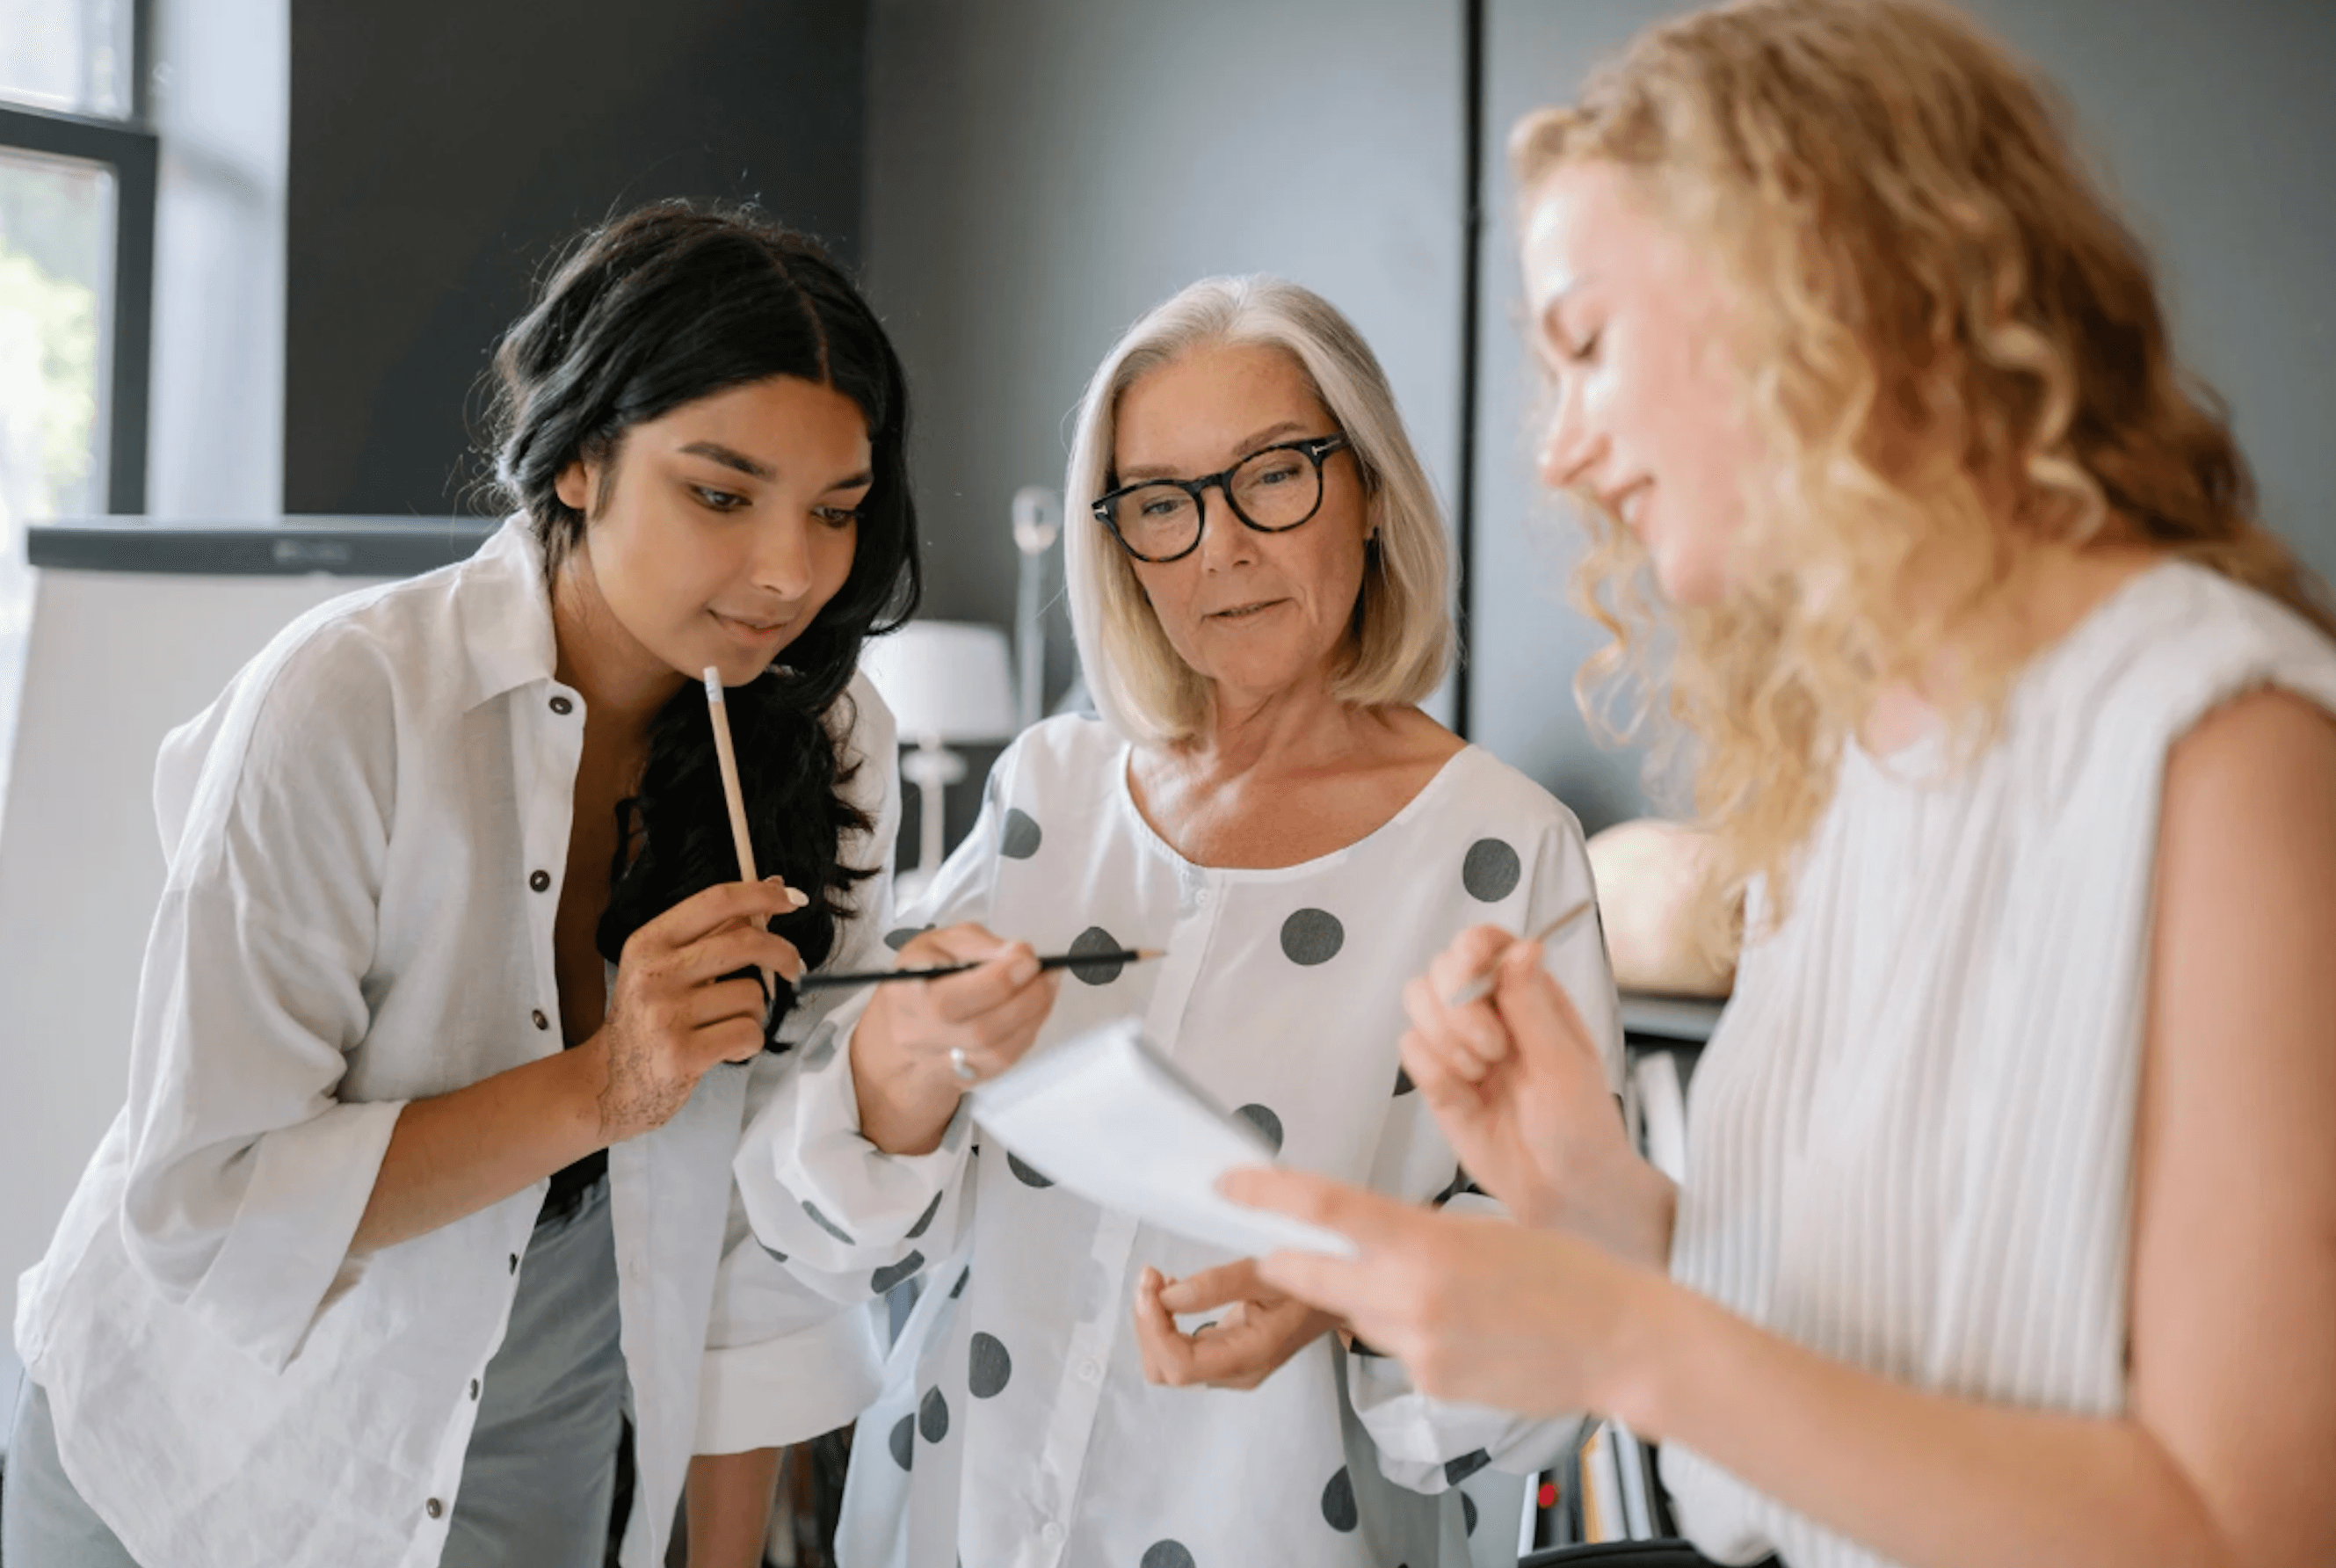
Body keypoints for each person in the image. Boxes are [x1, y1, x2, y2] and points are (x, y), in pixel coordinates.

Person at [1225, 4, 2336, 1567]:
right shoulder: (1846, 768)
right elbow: (1884, 1376)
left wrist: (1623, 1338)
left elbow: (2245, 1527)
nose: (1553, 453)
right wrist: (1599, 1203)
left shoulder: (2225, 749)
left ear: (1818, 284)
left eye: (1588, 344)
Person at [2, 201, 996, 1568]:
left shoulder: (829, 746)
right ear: (581, 460)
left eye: (836, 510)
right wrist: (607, 1086)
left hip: (544, 1450)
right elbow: (205, 1202)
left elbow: (752, 1233)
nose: (790, 573)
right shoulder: (348, 701)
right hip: (199, 1458)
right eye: (720, 494)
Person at [699, 274, 1625, 1568]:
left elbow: (1560, 1330)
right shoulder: (1050, 790)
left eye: (1272, 478)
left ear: (1367, 491)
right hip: (948, 1523)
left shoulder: (1504, 853)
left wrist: (1342, 1290)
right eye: (1162, 503)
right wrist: (899, 1064)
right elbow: (818, 1236)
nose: (1217, 547)